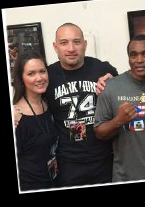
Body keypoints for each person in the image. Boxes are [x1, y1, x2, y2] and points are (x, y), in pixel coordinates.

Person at [93, 35, 145, 182]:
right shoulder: (111, 87)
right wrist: (118, 121)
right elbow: (99, 132)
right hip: (125, 176)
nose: (139, 60)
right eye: (133, 55)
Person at [45, 23, 118, 187]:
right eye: (64, 43)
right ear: (55, 47)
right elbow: (31, 101)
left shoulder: (102, 68)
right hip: (67, 163)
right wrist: (17, 110)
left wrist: (113, 82)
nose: (71, 48)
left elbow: (123, 90)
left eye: (76, 42)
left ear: (85, 45)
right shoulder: (47, 76)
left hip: (104, 159)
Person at [13, 51, 58, 191]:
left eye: (42, 71)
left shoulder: (47, 103)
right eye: (31, 74)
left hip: (54, 181)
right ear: (21, 78)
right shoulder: (17, 117)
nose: (39, 78)